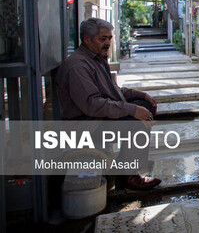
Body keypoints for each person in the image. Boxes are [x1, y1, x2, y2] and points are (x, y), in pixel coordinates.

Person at [55, 17, 161, 190]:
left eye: (109, 38)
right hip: (86, 125)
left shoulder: (96, 58)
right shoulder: (78, 66)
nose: (107, 43)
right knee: (137, 125)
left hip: (95, 117)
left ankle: (124, 165)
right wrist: (132, 110)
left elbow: (113, 90)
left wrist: (141, 96)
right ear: (86, 39)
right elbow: (93, 104)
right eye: (102, 39)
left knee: (146, 106)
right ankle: (128, 176)